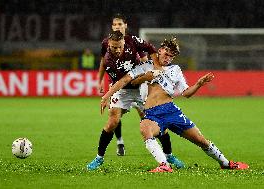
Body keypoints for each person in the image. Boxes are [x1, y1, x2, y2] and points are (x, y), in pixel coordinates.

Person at [101, 37, 249, 172]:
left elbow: (186, 93)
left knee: (201, 140)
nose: (168, 58)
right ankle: (164, 165)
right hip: (152, 114)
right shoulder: (146, 66)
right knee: (145, 129)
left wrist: (198, 84)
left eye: (171, 56)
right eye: (166, 54)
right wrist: (110, 94)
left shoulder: (175, 70)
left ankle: (226, 163)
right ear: (159, 51)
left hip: (171, 111)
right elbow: (129, 81)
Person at [95, 13, 184, 168]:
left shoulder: (133, 41)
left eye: (119, 47)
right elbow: (121, 80)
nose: (116, 50)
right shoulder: (108, 55)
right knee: (112, 121)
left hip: (141, 88)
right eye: (113, 47)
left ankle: (169, 156)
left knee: (155, 120)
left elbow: (151, 49)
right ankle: (99, 158)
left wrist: (155, 67)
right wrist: (104, 91)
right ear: (108, 44)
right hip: (122, 88)